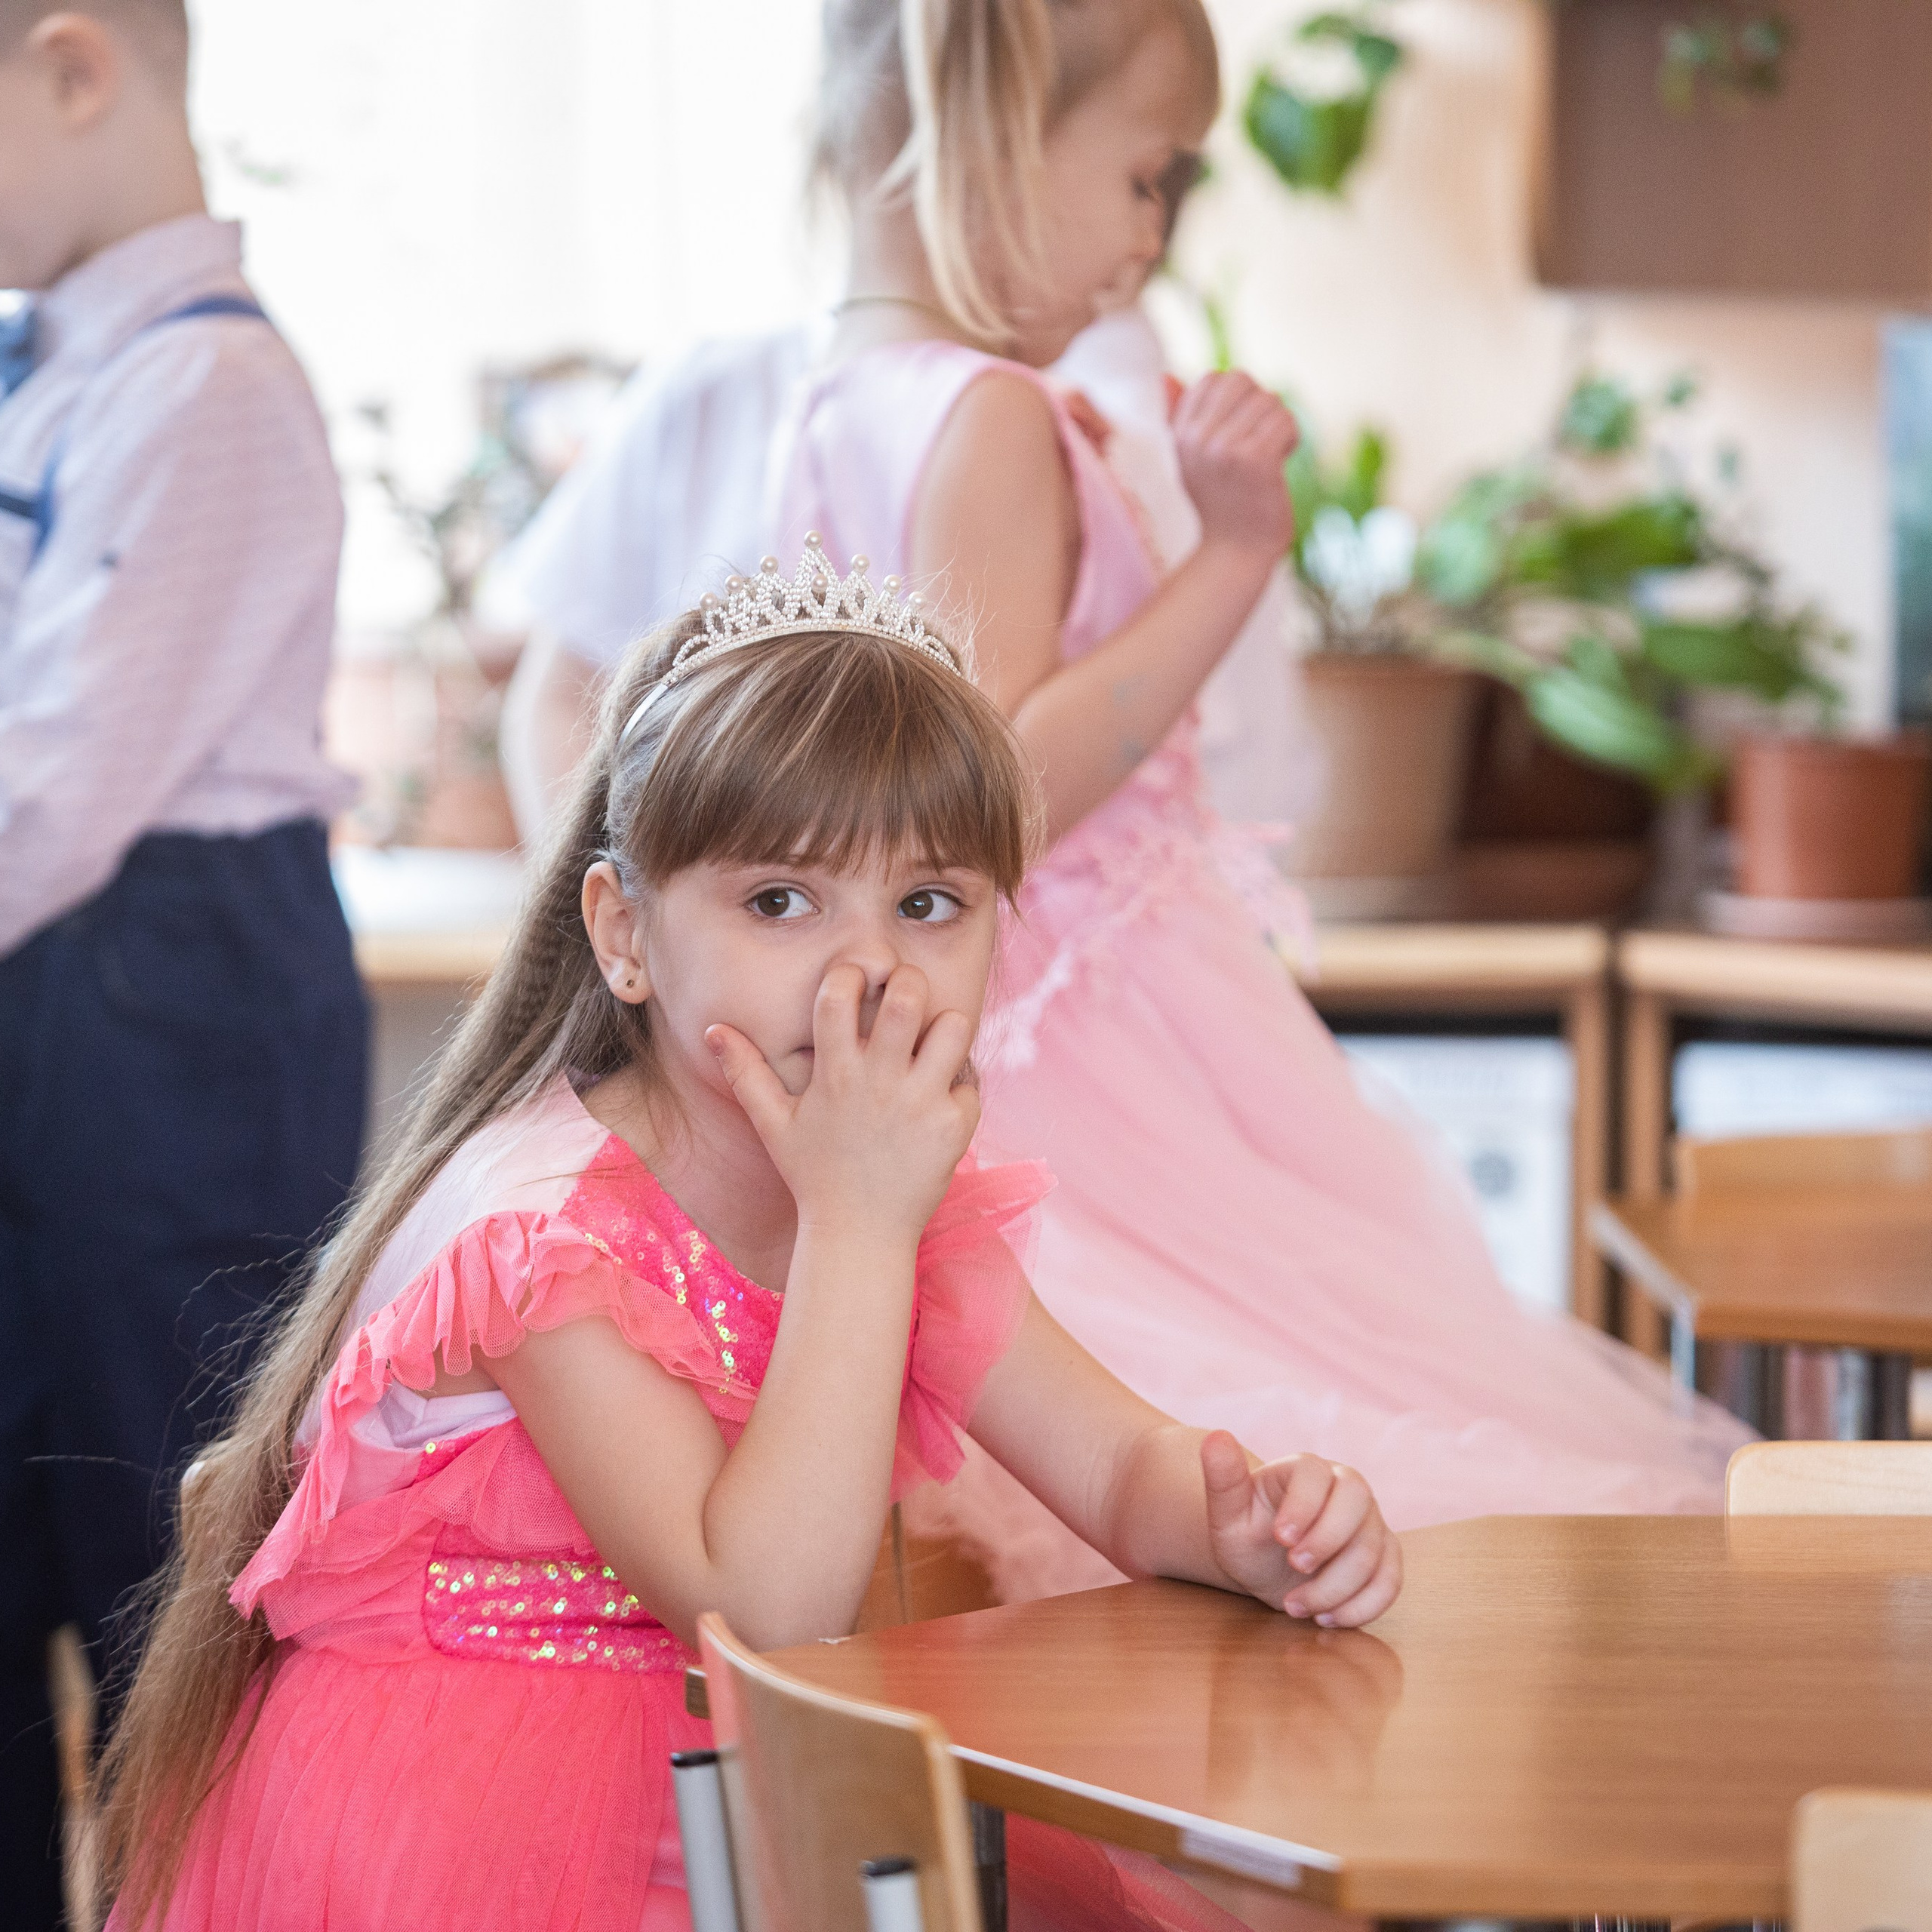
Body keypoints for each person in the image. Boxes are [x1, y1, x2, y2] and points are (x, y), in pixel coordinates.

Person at [91, 565, 1400, 1932]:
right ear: (625, 935)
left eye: (931, 903)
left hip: (742, 1773)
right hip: (465, 1824)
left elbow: (1124, 1469)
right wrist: (856, 1220)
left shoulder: (873, 1190)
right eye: (781, 902)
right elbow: (766, 1606)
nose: (867, 972)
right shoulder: (538, 1238)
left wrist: (1246, 1525)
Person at [770, 0, 1751, 1598]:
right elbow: (986, 794)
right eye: (1147, 176)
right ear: (1003, 143)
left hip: (994, 1027)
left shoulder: (834, 388)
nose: (1152, 237)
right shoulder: (988, 412)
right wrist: (1230, 554)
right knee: (1330, 1498)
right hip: (1093, 1048)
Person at [0, 2, 365, 1912]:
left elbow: (49, 792)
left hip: (169, 1008)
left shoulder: (205, 391)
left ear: (77, 71)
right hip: (56, 993)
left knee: (173, 1559)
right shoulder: (46, 366)